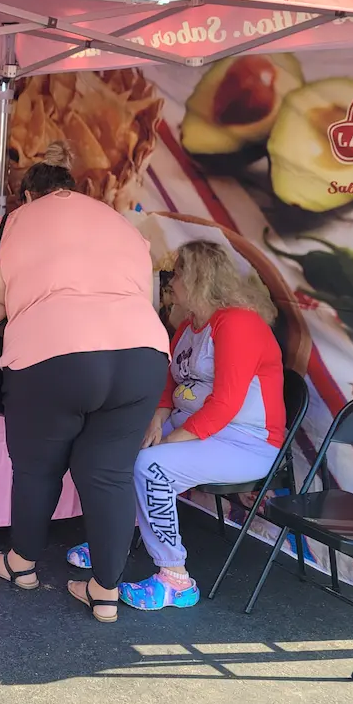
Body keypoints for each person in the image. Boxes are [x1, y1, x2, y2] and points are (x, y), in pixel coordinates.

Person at [0, 141, 169, 624]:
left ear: (26, 197)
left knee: (38, 469)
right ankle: (104, 592)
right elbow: (145, 296)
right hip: (141, 356)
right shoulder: (120, 223)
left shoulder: (10, 225)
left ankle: (22, 565)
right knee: (109, 476)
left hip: (53, 356)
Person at [108, 241, 286, 611]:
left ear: (199, 278)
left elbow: (225, 406)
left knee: (150, 466)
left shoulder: (238, 322)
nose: (171, 282)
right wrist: (157, 418)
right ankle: (111, 543)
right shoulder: (191, 325)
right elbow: (170, 381)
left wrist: (168, 440)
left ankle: (175, 579)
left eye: (178, 274)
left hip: (246, 442)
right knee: (117, 443)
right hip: (197, 426)